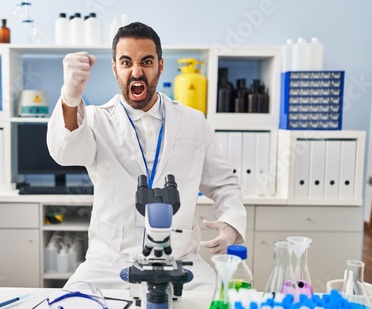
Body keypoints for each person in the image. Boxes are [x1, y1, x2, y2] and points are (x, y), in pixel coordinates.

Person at [47, 22, 246, 290]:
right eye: (126, 62)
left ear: (160, 66)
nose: (136, 71)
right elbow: (65, 152)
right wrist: (70, 98)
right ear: (115, 67)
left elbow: (224, 184)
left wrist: (231, 225)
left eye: (147, 61)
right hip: (110, 262)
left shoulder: (193, 122)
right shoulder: (96, 119)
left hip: (181, 261)